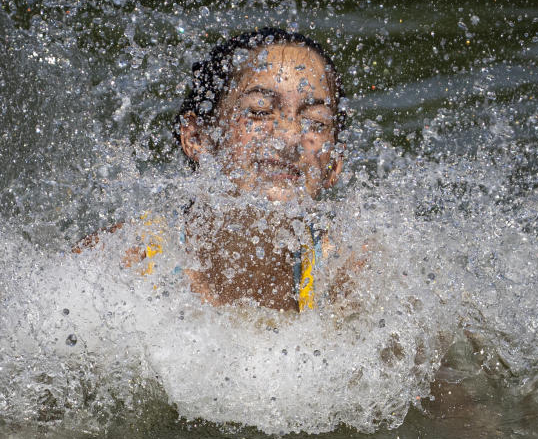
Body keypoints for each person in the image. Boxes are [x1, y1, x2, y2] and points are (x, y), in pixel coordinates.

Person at [74, 27, 355, 313]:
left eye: (316, 123)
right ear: (197, 138)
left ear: (335, 163)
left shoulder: (345, 276)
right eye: (260, 111)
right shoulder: (122, 263)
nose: (289, 137)